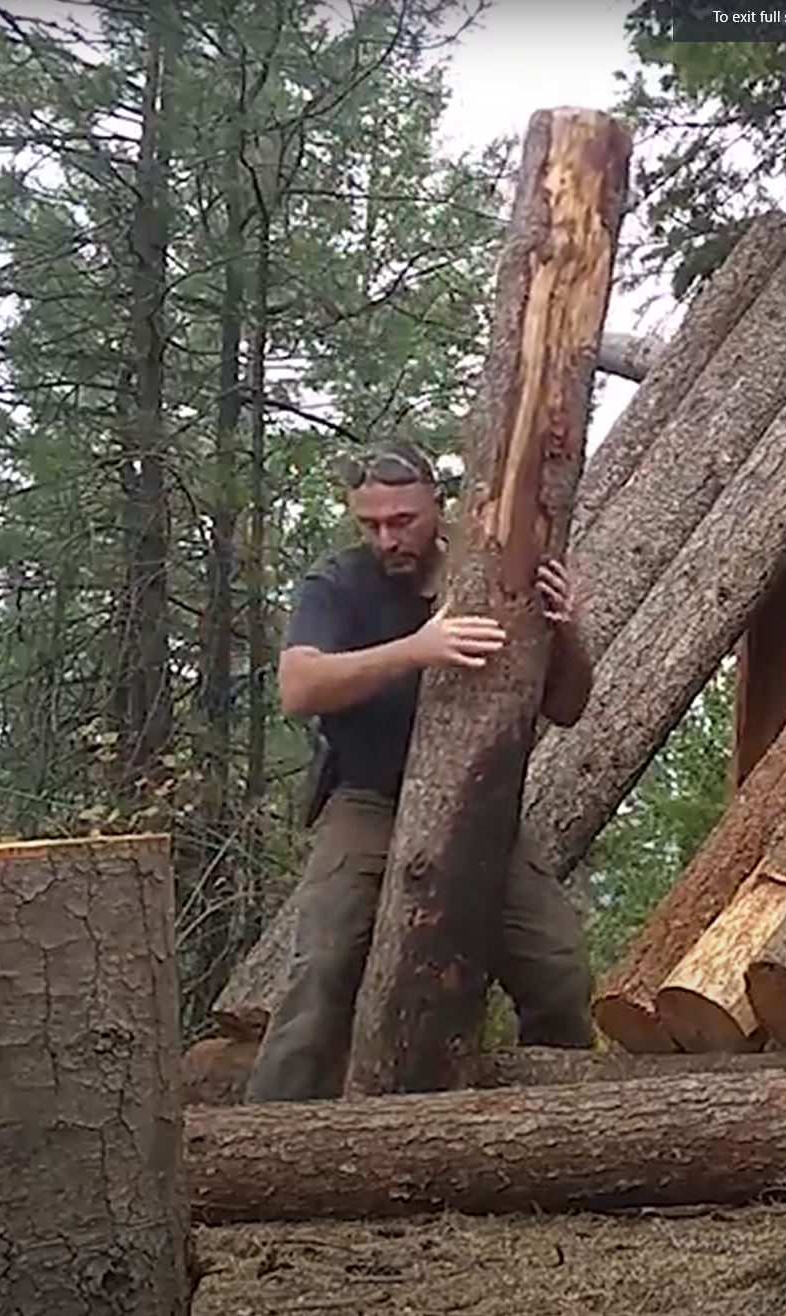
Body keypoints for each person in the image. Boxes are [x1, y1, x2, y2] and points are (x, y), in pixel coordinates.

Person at [243, 438, 598, 1102]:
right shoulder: (338, 582)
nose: (386, 539)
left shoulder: (493, 568)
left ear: (437, 504)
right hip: (368, 798)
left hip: (479, 799)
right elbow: (298, 688)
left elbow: (569, 706)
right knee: (323, 961)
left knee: (558, 969)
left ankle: (555, 1131)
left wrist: (568, 629)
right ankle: (271, 1140)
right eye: (369, 525)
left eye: (401, 521)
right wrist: (415, 649)